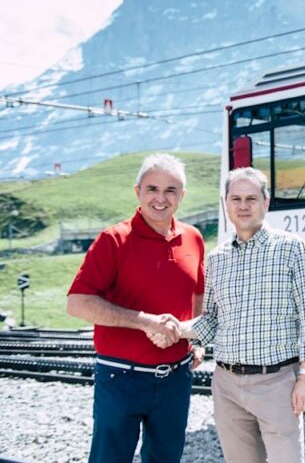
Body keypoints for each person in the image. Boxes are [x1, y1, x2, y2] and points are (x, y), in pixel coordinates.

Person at [176, 166, 305, 463]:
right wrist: (176, 328)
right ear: (225, 204)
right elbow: (212, 321)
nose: (243, 206)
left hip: (277, 383)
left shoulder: (291, 248)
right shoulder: (217, 259)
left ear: (266, 203)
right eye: (236, 199)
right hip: (226, 384)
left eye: (251, 198)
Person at [66, 153, 205, 463]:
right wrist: (146, 322)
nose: (161, 198)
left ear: (181, 196)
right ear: (138, 192)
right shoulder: (113, 240)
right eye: (152, 189)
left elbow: (197, 295)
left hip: (175, 379)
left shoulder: (193, 238)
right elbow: (77, 303)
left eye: (171, 190)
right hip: (120, 379)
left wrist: (193, 339)